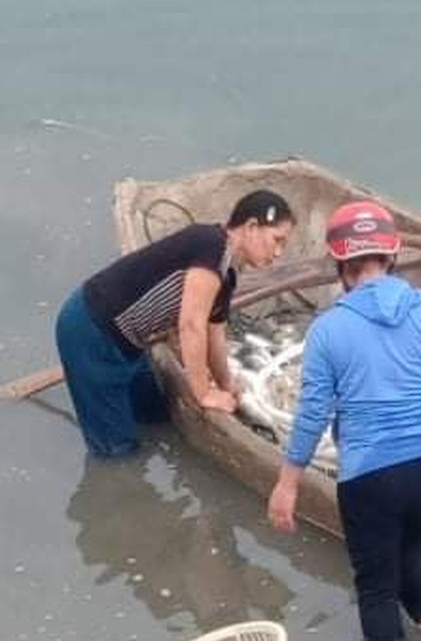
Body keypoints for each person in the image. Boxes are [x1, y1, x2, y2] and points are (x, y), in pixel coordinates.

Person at [267, 199, 421, 641]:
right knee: (413, 541)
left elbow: (312, 415)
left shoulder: (328, 330)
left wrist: (287, 483)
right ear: (392, 256)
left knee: (376, 587)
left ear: (340, 264)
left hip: (371, 478)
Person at [55, 189, 295, 458]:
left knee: (157, 416)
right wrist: (202, 393)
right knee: (118, 452)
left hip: (130, 343)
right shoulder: (211, 246)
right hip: (92, 331)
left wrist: (226, 384)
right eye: (277, 240)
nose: (278, 253)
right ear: (251, 227)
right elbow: (191, 325)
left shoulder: (227, 276)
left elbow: (214, 332)